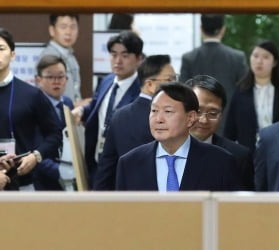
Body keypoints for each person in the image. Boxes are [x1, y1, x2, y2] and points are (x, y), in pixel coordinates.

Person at [116, 83, 239, 191]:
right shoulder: (129, 163)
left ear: (190, 118)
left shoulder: (221, 162)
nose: (158, 119)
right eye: (154, 111)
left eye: (168, 111)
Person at [94, 54, 176, 190]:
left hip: (126, 197)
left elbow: (106, 167)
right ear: (150, 84)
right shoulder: (168, 117)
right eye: (170, 80)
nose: (175, 85)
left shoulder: (118, 115)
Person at [72, 31, 143, 186]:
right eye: (113, 54)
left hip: (124, 166)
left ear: (138, 59)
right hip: (97, 162)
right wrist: (83, 110)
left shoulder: (142, 90)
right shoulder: (107, 80)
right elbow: (97, 105)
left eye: (125, 55)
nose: (117, 61)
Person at [0, 28, 62, 190]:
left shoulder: (31, 94)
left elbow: (55, 134)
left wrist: (36, 156)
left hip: (23, 182)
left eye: (1, 49)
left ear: (12, 54)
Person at [180, 14, 248, 133]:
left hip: (196, 125)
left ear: (201, 29)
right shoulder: (237, 58)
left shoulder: (189, 58)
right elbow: (245, 93)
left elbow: (182, 94)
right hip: (228, 126)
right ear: (223, 29)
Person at [187, 75, 254, 190]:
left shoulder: (238, 156)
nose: (203, 120)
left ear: (221, 115)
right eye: (198, 111)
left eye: (212, 113)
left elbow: (245, 204)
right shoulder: (164, 150)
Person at [224, 40, 279, 152]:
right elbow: (230, 129)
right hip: (248, 153)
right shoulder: (241, 91)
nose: (259, 61)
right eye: (255, 56)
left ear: (275, 62)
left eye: (265, 57)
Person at [33, 55, 75, 190]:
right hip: (41, 179)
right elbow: (33, 148)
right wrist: (62, 172)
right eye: (50, 77)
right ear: (38, 80)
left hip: (68, 176)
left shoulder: (67, 103)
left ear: (66, 79)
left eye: (61, 76)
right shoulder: (32, 106)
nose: (56, 81)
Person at [40, 14, 82, 101]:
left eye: (73, 27)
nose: (68, 32)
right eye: (63, 27)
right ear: (52, 30)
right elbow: (51, 100)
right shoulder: (49, 57)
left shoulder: (69, 54)